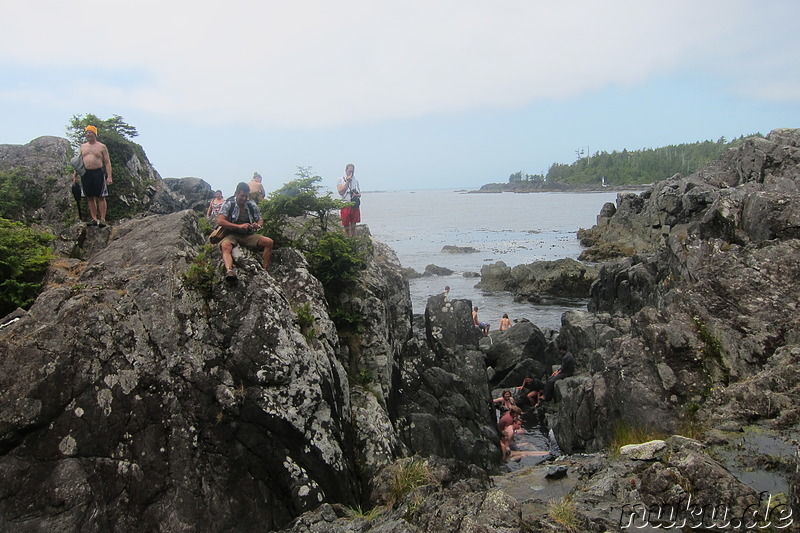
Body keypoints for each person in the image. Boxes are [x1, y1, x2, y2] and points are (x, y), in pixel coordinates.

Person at [216, 182, 274, 280]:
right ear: (236, 193)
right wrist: (238, 226)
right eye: (242, 196)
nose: (244, 198)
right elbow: (220, 221)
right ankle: (229, 270)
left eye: (246, 196)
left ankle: (265, 269)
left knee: (269, 242)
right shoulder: (229, 203)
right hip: (231, 233)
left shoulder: (251, 204)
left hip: (248, 234)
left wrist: (257, 225)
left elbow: (260, 219)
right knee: (225, 246)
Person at [74, 124, 112, 227]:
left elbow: (107, 162)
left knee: (101, 196)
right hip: (86, 173)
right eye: (86, 132)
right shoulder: (83, 147)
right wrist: (75, 175)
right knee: (89, 197)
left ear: (94, 133)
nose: (88, 134)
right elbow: (79, 162)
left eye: (90, 132)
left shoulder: (101, 147)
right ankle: (94, 219)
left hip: (98, 173)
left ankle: (103, 219)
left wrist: (109, 176)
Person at [336, 163, 361, 237]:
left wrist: (357, 195)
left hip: (354, 205)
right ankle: (347, 239)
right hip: (345, 205)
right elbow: (341, 192)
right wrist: (347, 182)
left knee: (353, 225)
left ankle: (353, 240)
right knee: (346, 226)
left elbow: (359, 193)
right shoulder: (340, 180)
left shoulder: (356, 181)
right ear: (346, 171)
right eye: (350, 171)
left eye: (353, 171)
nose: (351, 173)